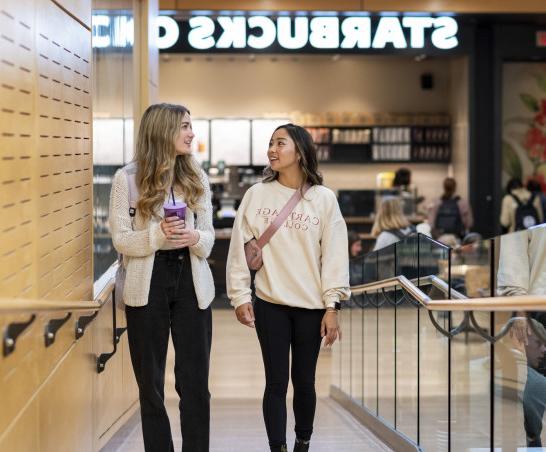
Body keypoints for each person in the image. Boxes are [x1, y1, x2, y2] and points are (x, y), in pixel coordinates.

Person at [226, 123, 350, 452]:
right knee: (276, 382)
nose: (272, 149)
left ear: (300, 151)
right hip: (270, 304)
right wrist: (239, 296)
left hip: (312, 308)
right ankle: (277, 447)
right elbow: (239, 249)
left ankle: (303, 442)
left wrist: (332, 307)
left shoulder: (323, 199)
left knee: (305, 382)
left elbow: (335, 257)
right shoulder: (257, 194)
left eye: (280, 143)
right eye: (270, 143)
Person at [109, 103, 215, 452]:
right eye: (185, 126)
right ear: (163, 131)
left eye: (191, 125)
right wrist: (157, 235)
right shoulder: (126, 179)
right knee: (150, 384)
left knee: (195, 382)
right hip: (147, 282)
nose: (191, 133)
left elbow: (209, 234)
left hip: (191, 282)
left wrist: (194, 238)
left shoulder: (196, 177)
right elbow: (121, 239)